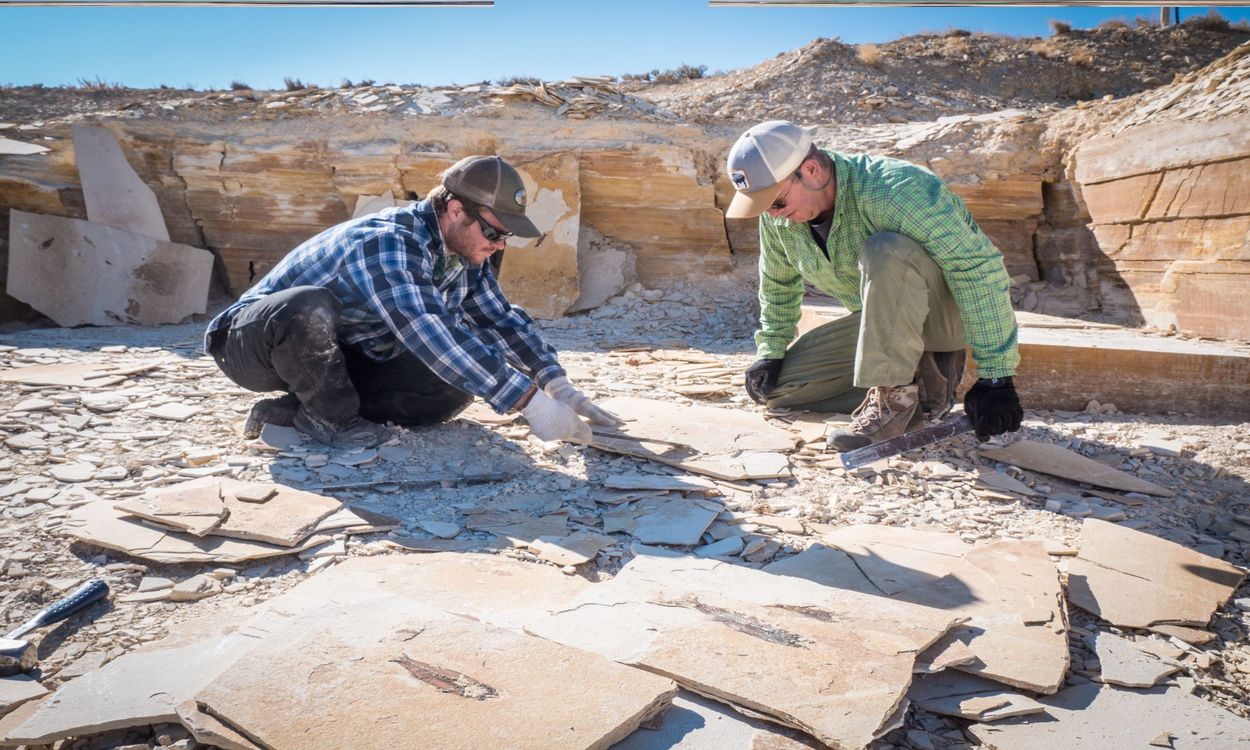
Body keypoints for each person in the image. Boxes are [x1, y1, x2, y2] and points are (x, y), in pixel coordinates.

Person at [204, 155, 618, 448]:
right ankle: (331, 418)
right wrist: (530, 403)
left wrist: (555, 384)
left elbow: (498, 321)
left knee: (451, 388)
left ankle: (296, 411)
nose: (499, 245)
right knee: (307, 307)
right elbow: (429, 331)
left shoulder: (462, 254)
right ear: (455, 210)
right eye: (494, 233)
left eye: (505, 237)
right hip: (250, 343)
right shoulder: (387, 242)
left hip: (343, 357)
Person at [724, 120, 1023, 450]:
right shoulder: (779, 219)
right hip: (884, 326)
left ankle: (894, 403)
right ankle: (922, 391)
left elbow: (978, 270)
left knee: (884, 249)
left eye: (776, 202)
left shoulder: (895, 190)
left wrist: (996, 377)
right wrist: (771, 351)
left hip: (940, 318)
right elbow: (778, 283)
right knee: (779, 391)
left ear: (810, 171)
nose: (772, 214)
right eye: (764, 206)